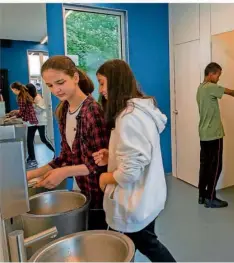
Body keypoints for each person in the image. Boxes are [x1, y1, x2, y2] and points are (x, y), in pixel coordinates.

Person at [92, 59, 176, 262]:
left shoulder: (128, 117)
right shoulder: (140, 111)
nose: (100, 90)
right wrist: (111, 155)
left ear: (116, 81)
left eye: (102, 83)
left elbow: (130, 172)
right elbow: (138, 154)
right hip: (146, 196)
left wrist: (105, 178)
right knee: (141, 243)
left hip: (135, 200)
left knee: (147, 244)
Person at [27, 55, 109, 230]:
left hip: (98, 195)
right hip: (82, 188)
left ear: (75, 78)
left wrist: (64, 172)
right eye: (50, 85)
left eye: (60, 82)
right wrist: (33, 174)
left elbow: (100, 164)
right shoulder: (64, 110)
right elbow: (66, 156)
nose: (56, 90)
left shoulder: (92, 111)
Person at [197, 62, 234, 208]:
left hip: (203, 134)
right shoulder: (211, 87)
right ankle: (211, 198)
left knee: (205, 165)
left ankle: (202, 195)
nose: (219, 78)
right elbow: (232, 92)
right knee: (216, 166)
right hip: (214, 134)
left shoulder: (200, 88)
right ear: (211, 74)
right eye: (218, 75)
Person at [10, 82, 39, 169]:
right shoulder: (24, 95)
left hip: (30, 121)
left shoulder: (21, 97)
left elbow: (22, 111)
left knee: (29, 141)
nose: (13, 92)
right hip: (31, 120)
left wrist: (14, 117)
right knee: (29, 141)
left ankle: (33, 160)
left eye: (13, 90)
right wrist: (16, 113)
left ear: (15, 89)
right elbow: (23, 109)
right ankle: (31, 158)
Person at [26, 83, 55, 160]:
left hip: (40, 122)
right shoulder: (31, 98)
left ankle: (56, 152)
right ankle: (32, 157)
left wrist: (31, 105)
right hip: (32, 122)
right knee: (29, 140)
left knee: (43, 139)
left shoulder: (38, 98)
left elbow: (39, 110)